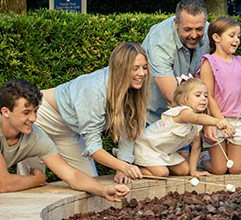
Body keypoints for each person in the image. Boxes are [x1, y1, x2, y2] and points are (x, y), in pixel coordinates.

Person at [0, 79, 128, 215]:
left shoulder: (35, 136)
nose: (33, 119)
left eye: (36, 111)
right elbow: (3, 184)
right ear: (6, 111)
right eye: (26, 112)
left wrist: (104, 189)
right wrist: (36, 179)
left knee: (30, 208)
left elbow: (71, 175)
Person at [26, 42, 149, 180]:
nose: (142, 73)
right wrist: (123, 166)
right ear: (121, 68)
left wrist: (123, 168)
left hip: (70, 130)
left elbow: (129, 132)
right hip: (41, 119)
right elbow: (93, 147)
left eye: (144, 68)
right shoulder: (95, 90)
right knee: (33, 178)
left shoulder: (134, 89)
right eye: (135, 68)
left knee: (89, 180)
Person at [133, 77, 234, 177]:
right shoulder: (182, 112)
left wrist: (193, 171)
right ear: (183, 99)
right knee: (162, 173)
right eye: (198, 95)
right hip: (146, 147)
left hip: (163, 152)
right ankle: (135, 168)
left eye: (206, 96)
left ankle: (156, 166)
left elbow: (196, 147)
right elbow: (197, 118)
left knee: (185, 170)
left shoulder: (196, 125)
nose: (203, 98)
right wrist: (217, 122)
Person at [198, 17, 241, 174]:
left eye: (238, 36)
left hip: (238, 121)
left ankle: (217, 158)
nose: (236, 40)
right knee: (219, 169)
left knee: (234, 169)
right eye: (232, 35)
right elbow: (208, 97)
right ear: (216, 37)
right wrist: (221, 122)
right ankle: (204, 158)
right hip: (216, 120)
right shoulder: (209, 62)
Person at [143, 0, 209, 124]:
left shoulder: (208, 31)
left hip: (187, 115)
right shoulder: (160, 42)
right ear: (176, 23)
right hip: (149, 117)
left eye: (199, 29)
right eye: (187, 29)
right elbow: (173, 99)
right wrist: (206, 122)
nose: (194, 35)